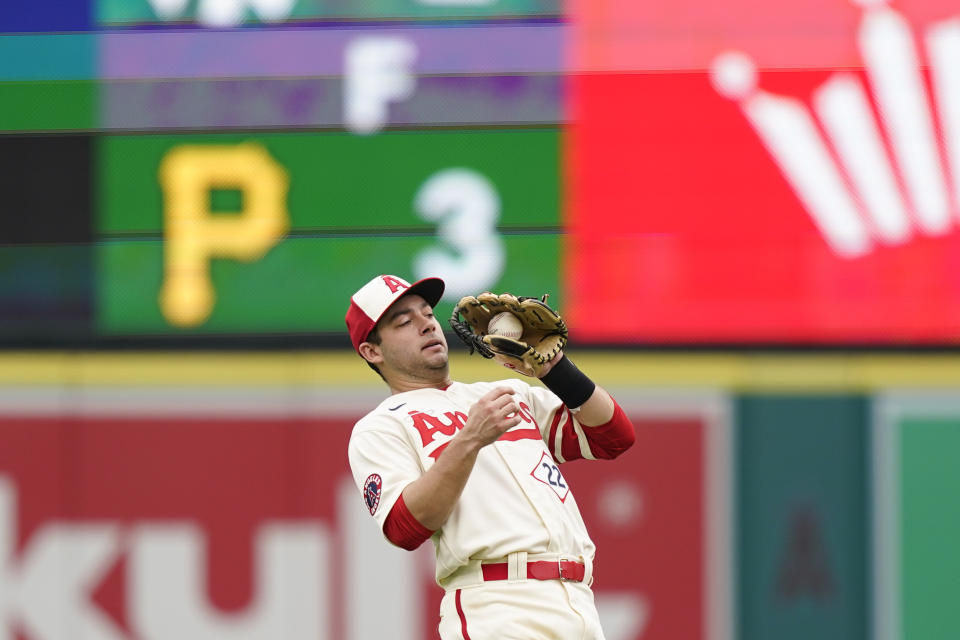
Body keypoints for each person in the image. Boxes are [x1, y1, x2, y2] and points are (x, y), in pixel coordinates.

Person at [345, 274, 636, 640]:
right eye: (404, 322)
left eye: (427, 313)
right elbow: (404, 528)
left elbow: (612, 437)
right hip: (497, 605)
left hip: (577, 602)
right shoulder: (381, 428)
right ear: (372, 351)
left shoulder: (507, 393)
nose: (426, 325)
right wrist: (470, 439)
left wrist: (553, 368)